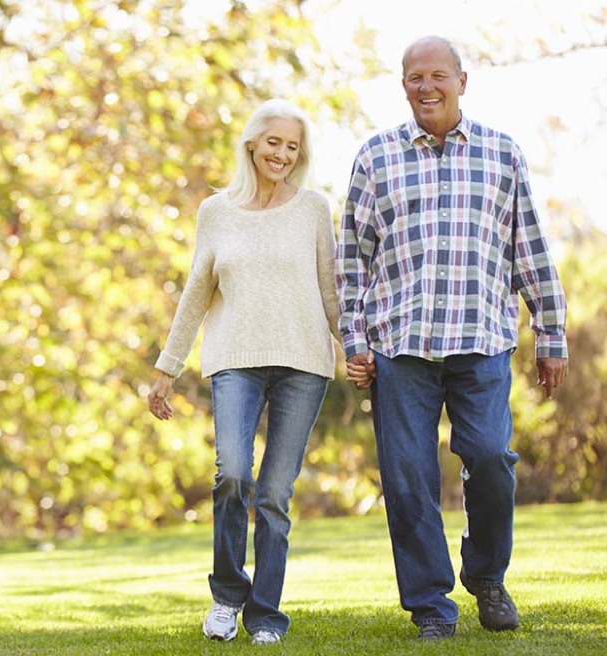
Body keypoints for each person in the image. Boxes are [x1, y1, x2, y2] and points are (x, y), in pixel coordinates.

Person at [336, 35, 569, 641]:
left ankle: (487, 578)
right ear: (404, 86)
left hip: (482, 337)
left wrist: (551, 331)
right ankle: (431, 607)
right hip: (400, 346)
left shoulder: (502, 153)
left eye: (438, 76)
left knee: (491, 459)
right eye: (415, 78)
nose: (427, 87)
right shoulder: (375, 156)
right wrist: (354, 336)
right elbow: (352, 258)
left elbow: (529, 249)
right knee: (408, 476)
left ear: (462, 82)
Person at [147, 98, 339, 646]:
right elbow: (195, 293)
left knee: (275, 493)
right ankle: (228, 598)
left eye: (292, 146)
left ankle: (266, 615)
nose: (282, 153)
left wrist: (353, 345)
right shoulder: (217, 211)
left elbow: (330, 288)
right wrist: (168, 368)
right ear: (252, 143)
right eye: (273, 142)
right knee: (233, 472)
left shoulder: (313, 209)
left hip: (304, 362)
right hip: (235, 359)